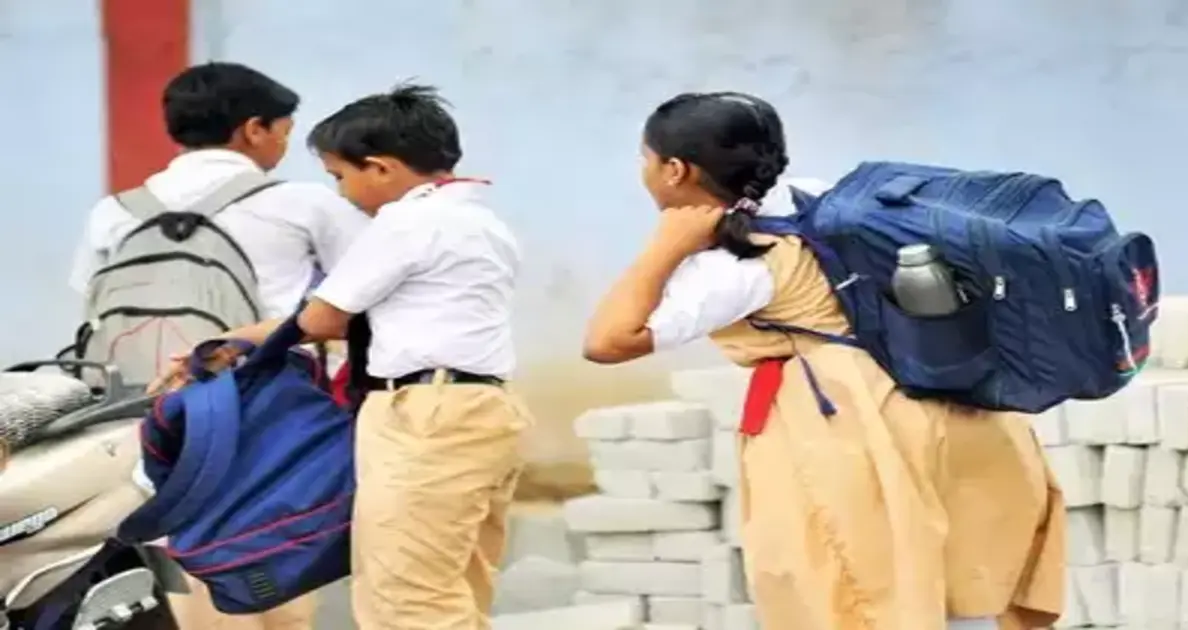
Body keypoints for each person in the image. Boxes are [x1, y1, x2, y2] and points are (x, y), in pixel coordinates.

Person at [582, 91, 1065, 630]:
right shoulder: (824, 200)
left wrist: (663, 248)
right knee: (965, 586)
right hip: (957, 403)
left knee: (870, 593)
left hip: (859, 431)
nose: (644, 172)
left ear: (675, 170)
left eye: (645, 159)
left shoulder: (737, 264)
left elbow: (608, 341)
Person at [153, 82, 531, 630]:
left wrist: (232, 347)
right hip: (486, 408)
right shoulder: (481, 221)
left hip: (425, 415)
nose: (342, 192)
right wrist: (238, 339)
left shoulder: (407, 221)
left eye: (339, 175)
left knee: (404, 599)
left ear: (380, 168)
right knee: (457, 590)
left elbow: (323, 318)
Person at [69, 61, 369, 630]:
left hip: (151, 411)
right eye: (283, 130)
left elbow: (91, 305)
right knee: (270, 550)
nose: (283, 143)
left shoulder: (114, 212)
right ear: (253, 129)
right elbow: (363, 298)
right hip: (265, 408)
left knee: (181, 556)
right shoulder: (304, 204)